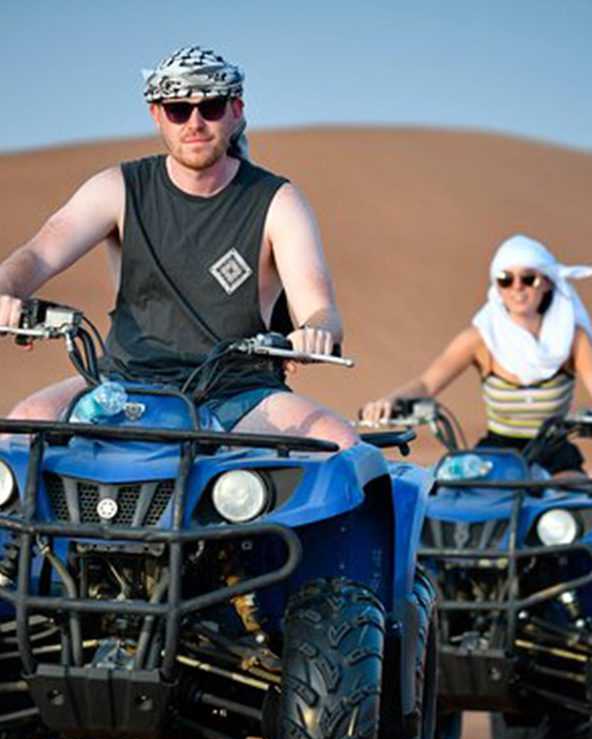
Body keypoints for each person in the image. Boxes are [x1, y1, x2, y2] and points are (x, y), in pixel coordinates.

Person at [0, 45, 357, 448]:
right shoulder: (119, 189)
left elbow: (321, 309)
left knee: (337, 441)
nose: (195, 123)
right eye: (178, 110)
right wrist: (6, 290)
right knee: (22, 426)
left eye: (211, 107)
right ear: (157, 114)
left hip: (238, 393)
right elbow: (37, 255)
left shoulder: (278, 202)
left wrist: (315, 333)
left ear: (236, 110)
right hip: (122, 380)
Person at [361, 234, 592, 473]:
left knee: (574, 504)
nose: (517, 288)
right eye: (506, 280)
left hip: (555, 452)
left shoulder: (572, 338)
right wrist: (389, 402)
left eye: (528, 278)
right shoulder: (481, 338)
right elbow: (427, 383)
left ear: (547, 282)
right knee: (465, 501)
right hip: (497, 451)